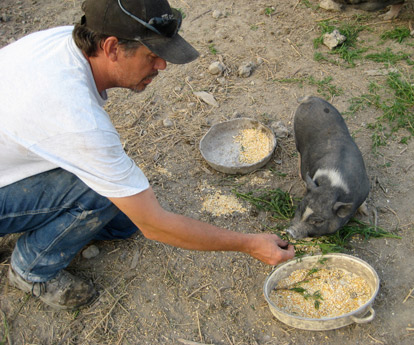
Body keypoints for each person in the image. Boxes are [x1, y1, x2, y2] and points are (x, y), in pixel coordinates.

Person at [0, 0, 295, 310]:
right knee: (101, 194)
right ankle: (31, 269)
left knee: (123, 211)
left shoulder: (64, 42)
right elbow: (155, 226)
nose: (162, 66)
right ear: (112, 48)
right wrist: (249, 244)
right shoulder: (77, 121)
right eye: (152, 56)